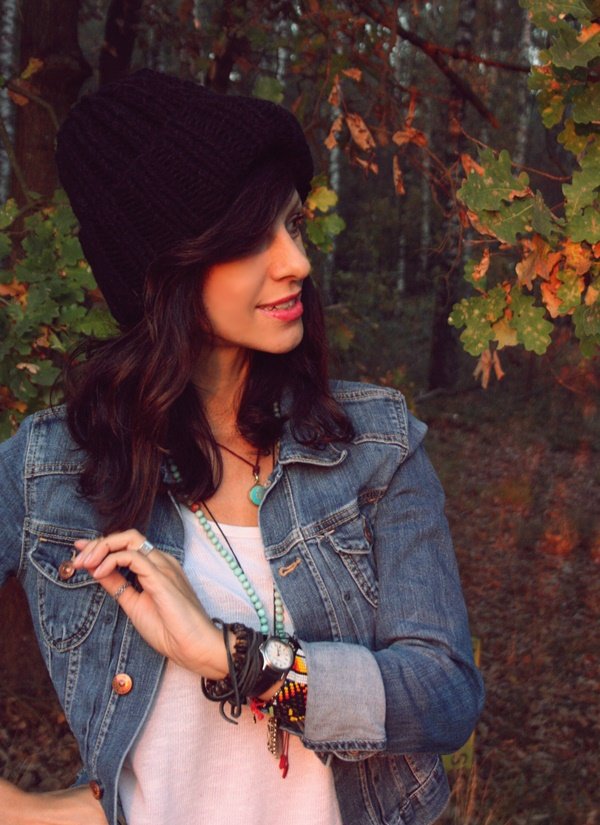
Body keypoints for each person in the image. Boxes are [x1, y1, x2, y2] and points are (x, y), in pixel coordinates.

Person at [0, 69, 484, 825]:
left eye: (292, 225)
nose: (296, 262)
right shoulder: (50, 468)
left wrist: (239, 662)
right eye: (254, 236)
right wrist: (31, 811)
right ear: (167, 266)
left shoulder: (374, 447)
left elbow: (445, 693)